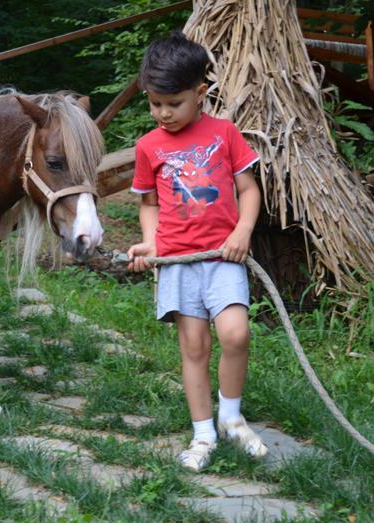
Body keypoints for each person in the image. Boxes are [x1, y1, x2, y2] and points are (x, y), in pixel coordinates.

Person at [127, 31, 268, 472]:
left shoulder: (224, 134)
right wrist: (151, 243)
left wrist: (243, 230)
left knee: (235, 334)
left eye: (173, 103)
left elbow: (249, 188)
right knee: (194, 347)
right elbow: (149, 203)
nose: (163, 113)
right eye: (155, 104)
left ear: (200, 93)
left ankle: (231, 417)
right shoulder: (148, 146)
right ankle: (203, 431)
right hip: (178, 264)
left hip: (222, 257)